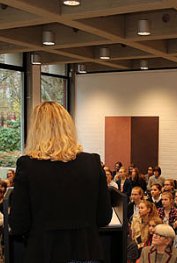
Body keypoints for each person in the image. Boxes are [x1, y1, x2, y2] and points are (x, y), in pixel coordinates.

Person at [9, 101, 112, 263]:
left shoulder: (27, 165)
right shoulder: (92, 162)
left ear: (35, 130)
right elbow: (104, 216)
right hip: (87, 252)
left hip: (44, 253)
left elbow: (18, 223)